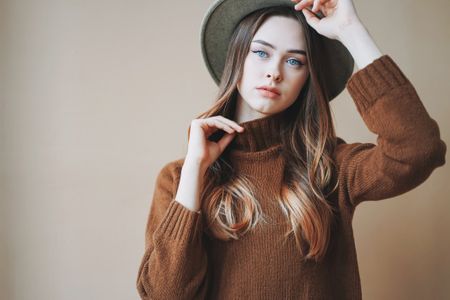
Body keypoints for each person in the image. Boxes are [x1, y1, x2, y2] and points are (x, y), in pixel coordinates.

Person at [136, 0, 447, 299]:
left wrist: (351, 29)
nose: (275, 72)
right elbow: (166, 295)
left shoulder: (329, 168)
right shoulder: (178, 178)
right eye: (261, 53)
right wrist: (195, 171)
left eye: (294, 61)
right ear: (236, 58)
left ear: (306, 80)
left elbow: (419, 148)